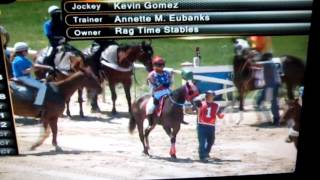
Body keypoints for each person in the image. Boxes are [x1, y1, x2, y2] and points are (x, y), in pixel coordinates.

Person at [11, 42, 51, 106]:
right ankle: (38, 104)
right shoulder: (20, 60)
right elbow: (24, 71)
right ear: (23, 51)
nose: (27, 52)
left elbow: (33, 65)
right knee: (43, 87)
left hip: (25, 77)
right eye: (26, 50)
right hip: (22, 78)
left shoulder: (23, 58)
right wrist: (34, 68)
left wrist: (46, 67)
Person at [195, 90, 224, 162]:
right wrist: (196, 102)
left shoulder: (216, 105)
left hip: (211, 126)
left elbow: (219, 114)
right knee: (202, 142)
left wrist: (221, 115)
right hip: (202, 125)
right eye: (210, 95)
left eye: (212, 95)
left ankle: (206, 153)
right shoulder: (201, 104)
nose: (212, 97)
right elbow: (194, 105)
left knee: (211, 141)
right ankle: (202, 156)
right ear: (207, 96)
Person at [146, 56, 172, 126]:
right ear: (154, 65)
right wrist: (165, 84)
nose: (162, 66)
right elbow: (156, 85)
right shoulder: (151, 75)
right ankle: (150, 123)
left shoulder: (167, 73)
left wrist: (166, 85)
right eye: (160, 65)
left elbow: (170, 82)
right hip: (156, 93)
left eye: (163, 64)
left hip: (167, 91)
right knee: (150, 108)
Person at [256, 53, 281, 126]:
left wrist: (250, 61)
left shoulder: (268, 63)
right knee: (260, 100)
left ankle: (275, 120)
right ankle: (272, 119)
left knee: (272, 102)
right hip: (270, 85)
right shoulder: (271, 62)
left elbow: (256, 64)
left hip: (271, 86)